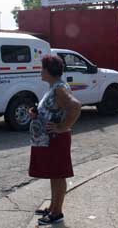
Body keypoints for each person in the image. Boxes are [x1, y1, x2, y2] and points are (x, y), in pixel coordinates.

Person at [28, 54, 81, 225]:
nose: (40, 71)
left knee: (58, 176)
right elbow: (54, 109)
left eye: (42, 68)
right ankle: (52, 207)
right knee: (54, 174)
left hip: (56, 139)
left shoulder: (59, 88)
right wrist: (37, 114)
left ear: (49, 71)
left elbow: (75, 106)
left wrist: (61, 127)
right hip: (49, 140)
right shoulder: (54, 87)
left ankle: (57, 213)